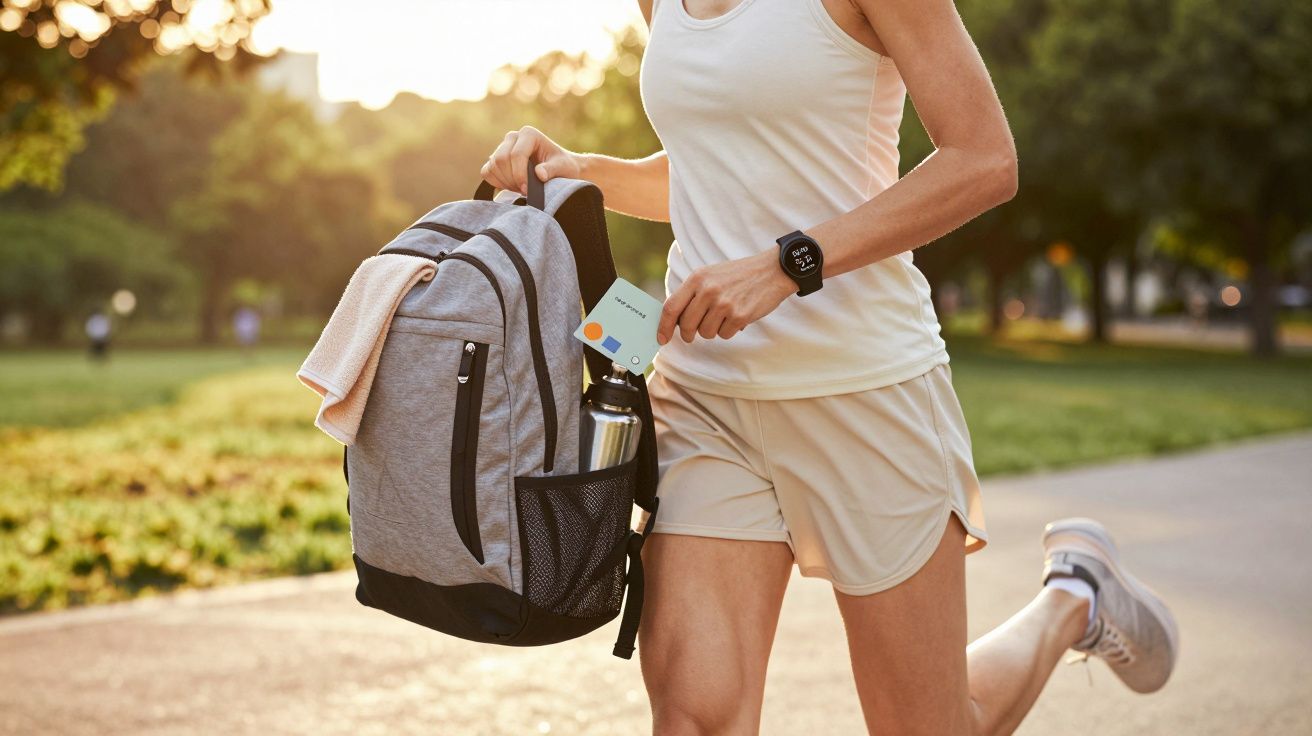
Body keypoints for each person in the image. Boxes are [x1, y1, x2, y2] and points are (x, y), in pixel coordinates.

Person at [482, 0, 1178, 732]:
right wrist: (580, 169)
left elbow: (985, 158)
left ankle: (1074, 597)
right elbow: (713, 157)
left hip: (864, 388)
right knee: (695, 718)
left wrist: (789, 264)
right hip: (703, 397)